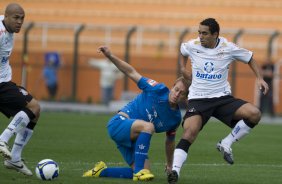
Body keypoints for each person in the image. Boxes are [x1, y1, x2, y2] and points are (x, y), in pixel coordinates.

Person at [167, 18, 269, 184]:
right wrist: (182, 69)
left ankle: (226, 143)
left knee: (254, 114)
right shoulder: (192, 45)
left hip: (222, 98)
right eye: (199, 32)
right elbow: (182, 52)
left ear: (215, 34)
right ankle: (175, 172)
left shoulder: (227, 48)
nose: (200, 36)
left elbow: (250, 58)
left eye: (205, 33)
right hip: (199, 99)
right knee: (189, 132)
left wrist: (259, 78)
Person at [82, 46, 190, 181]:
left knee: (147, 174)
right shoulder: (157, 89)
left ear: (185, 98)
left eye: (181, 93)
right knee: (149, 127)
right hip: (118, 124)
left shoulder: (175, 119)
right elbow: (131, 72)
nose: (176, 94)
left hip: (134, 139)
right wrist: (110, 55)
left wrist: (170, 165)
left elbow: (169, 142)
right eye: (176, 89)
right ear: (172, 86)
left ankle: (101, 171)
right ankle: (139, 171)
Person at [0, 3, 41, 176]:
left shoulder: (6, 27)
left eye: (22, 18)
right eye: (16, 18)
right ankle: (2, 140)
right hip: (1, 85)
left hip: (4, 82)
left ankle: (14, 159)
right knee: (33, 107)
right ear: (6, 16)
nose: (20, 22)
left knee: (35, 111)